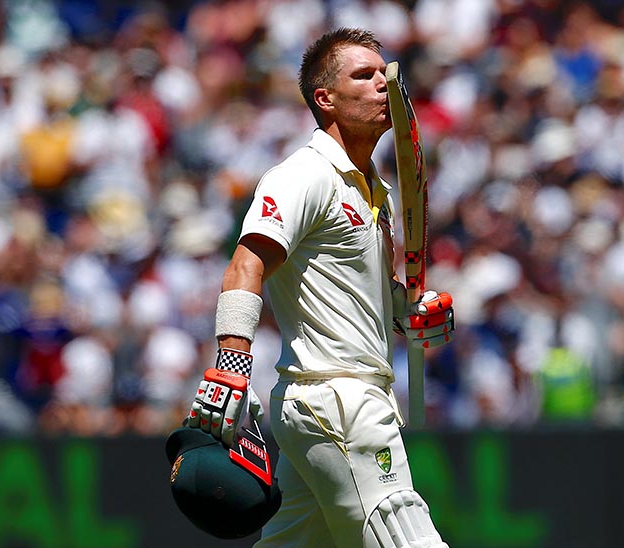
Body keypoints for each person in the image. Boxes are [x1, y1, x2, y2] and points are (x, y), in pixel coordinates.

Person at [185, 28, 455, 548]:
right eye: (363, 75)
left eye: (384, 73)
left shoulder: (372, 186)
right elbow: (245, 264)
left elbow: (356, 289)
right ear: (324, 98)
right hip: (339, 400)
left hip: (334, 400)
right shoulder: (303, 174)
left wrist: (406, 310)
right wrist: (231, 366)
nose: (383, 85)